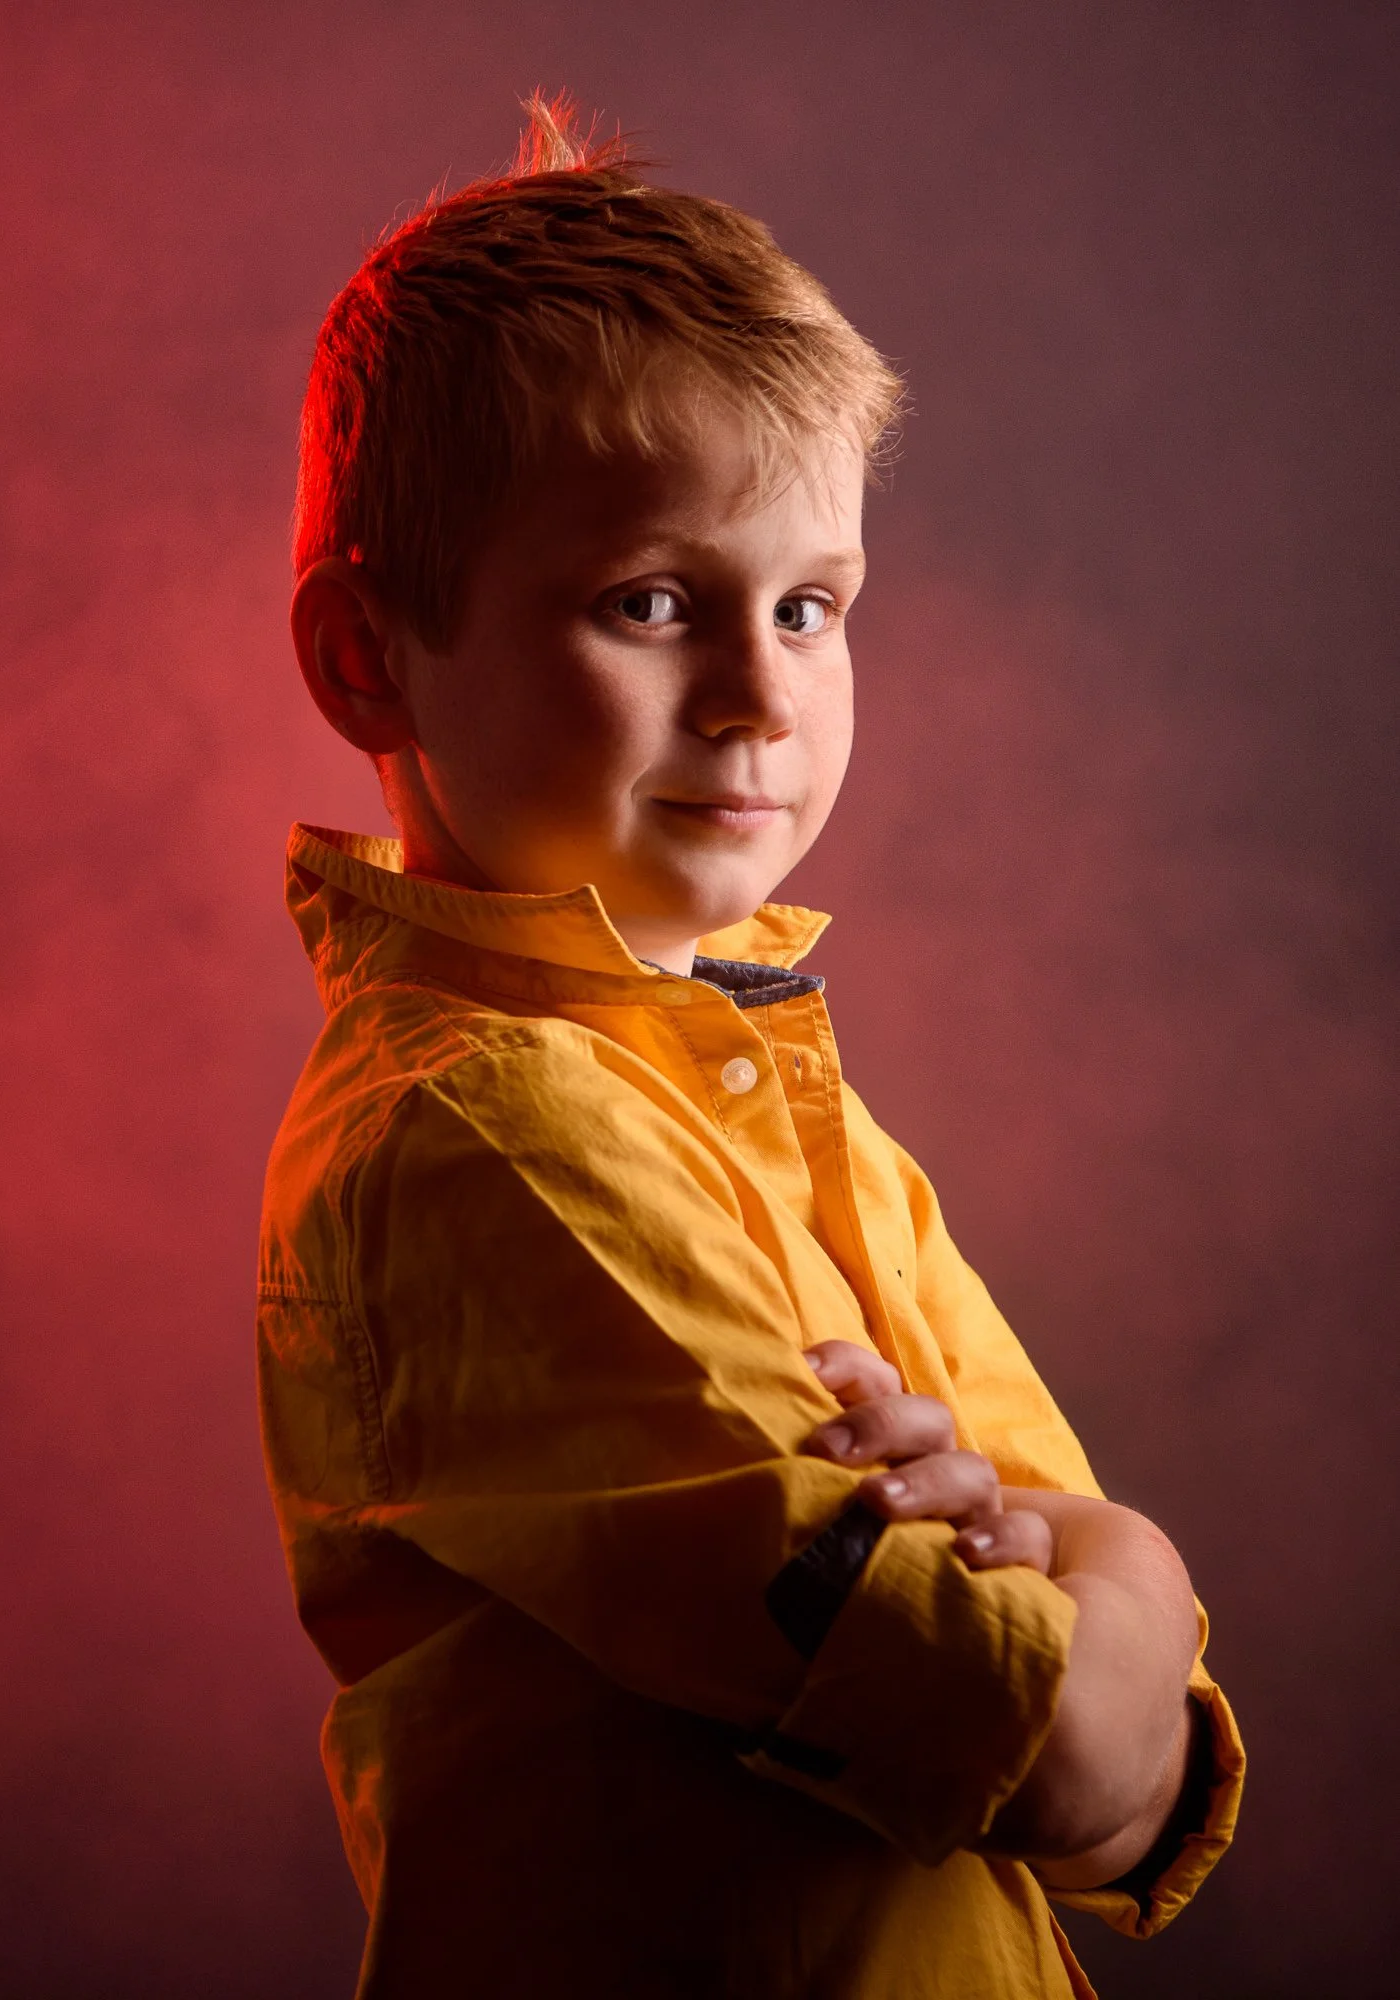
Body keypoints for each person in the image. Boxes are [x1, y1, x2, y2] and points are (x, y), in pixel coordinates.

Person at [257, 95, 1243, 1997]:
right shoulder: (487, 1134)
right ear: (370, 658)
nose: (762, 695)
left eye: (812, 606)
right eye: (651, 603)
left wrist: (1096, 1601)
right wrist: (1133, 1572)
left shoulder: (783, 1094)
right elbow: (1046, 1741)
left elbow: (1155, 1778)